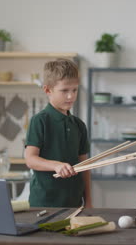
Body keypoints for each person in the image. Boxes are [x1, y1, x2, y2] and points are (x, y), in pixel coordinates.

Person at [25, 58, 92, 208]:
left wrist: (88, 201)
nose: (71, 96)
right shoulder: (39, 121)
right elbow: (30, 159)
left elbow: (85, 167)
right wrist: (56, 165)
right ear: (48, 90)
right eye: (64, 91)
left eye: (74, 90)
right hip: (43, 204)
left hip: (74, 204)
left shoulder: (79, 125)